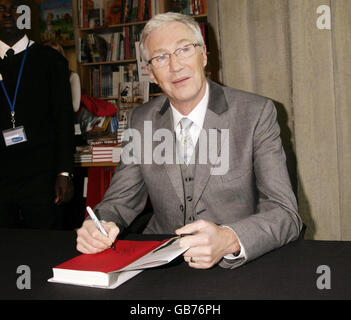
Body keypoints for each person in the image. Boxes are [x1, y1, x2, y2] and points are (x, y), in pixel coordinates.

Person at [76, 12, 302, 269]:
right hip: (162, 261)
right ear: (150, 72)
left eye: (184, 49)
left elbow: (286, 215)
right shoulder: (141, 120)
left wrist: (229, 240)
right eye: (161, 57)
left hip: (237, 262)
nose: (175, 66)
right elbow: (119, 201)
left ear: (204, 55)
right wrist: (97, 225)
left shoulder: (256, 113)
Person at [0, 0, 75, 229]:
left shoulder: (51, 61)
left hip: (43, 177)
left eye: (14, 7)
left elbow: (64, 120)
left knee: (45, 248)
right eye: (0, 7)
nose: (7, 13)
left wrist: (64, 172)